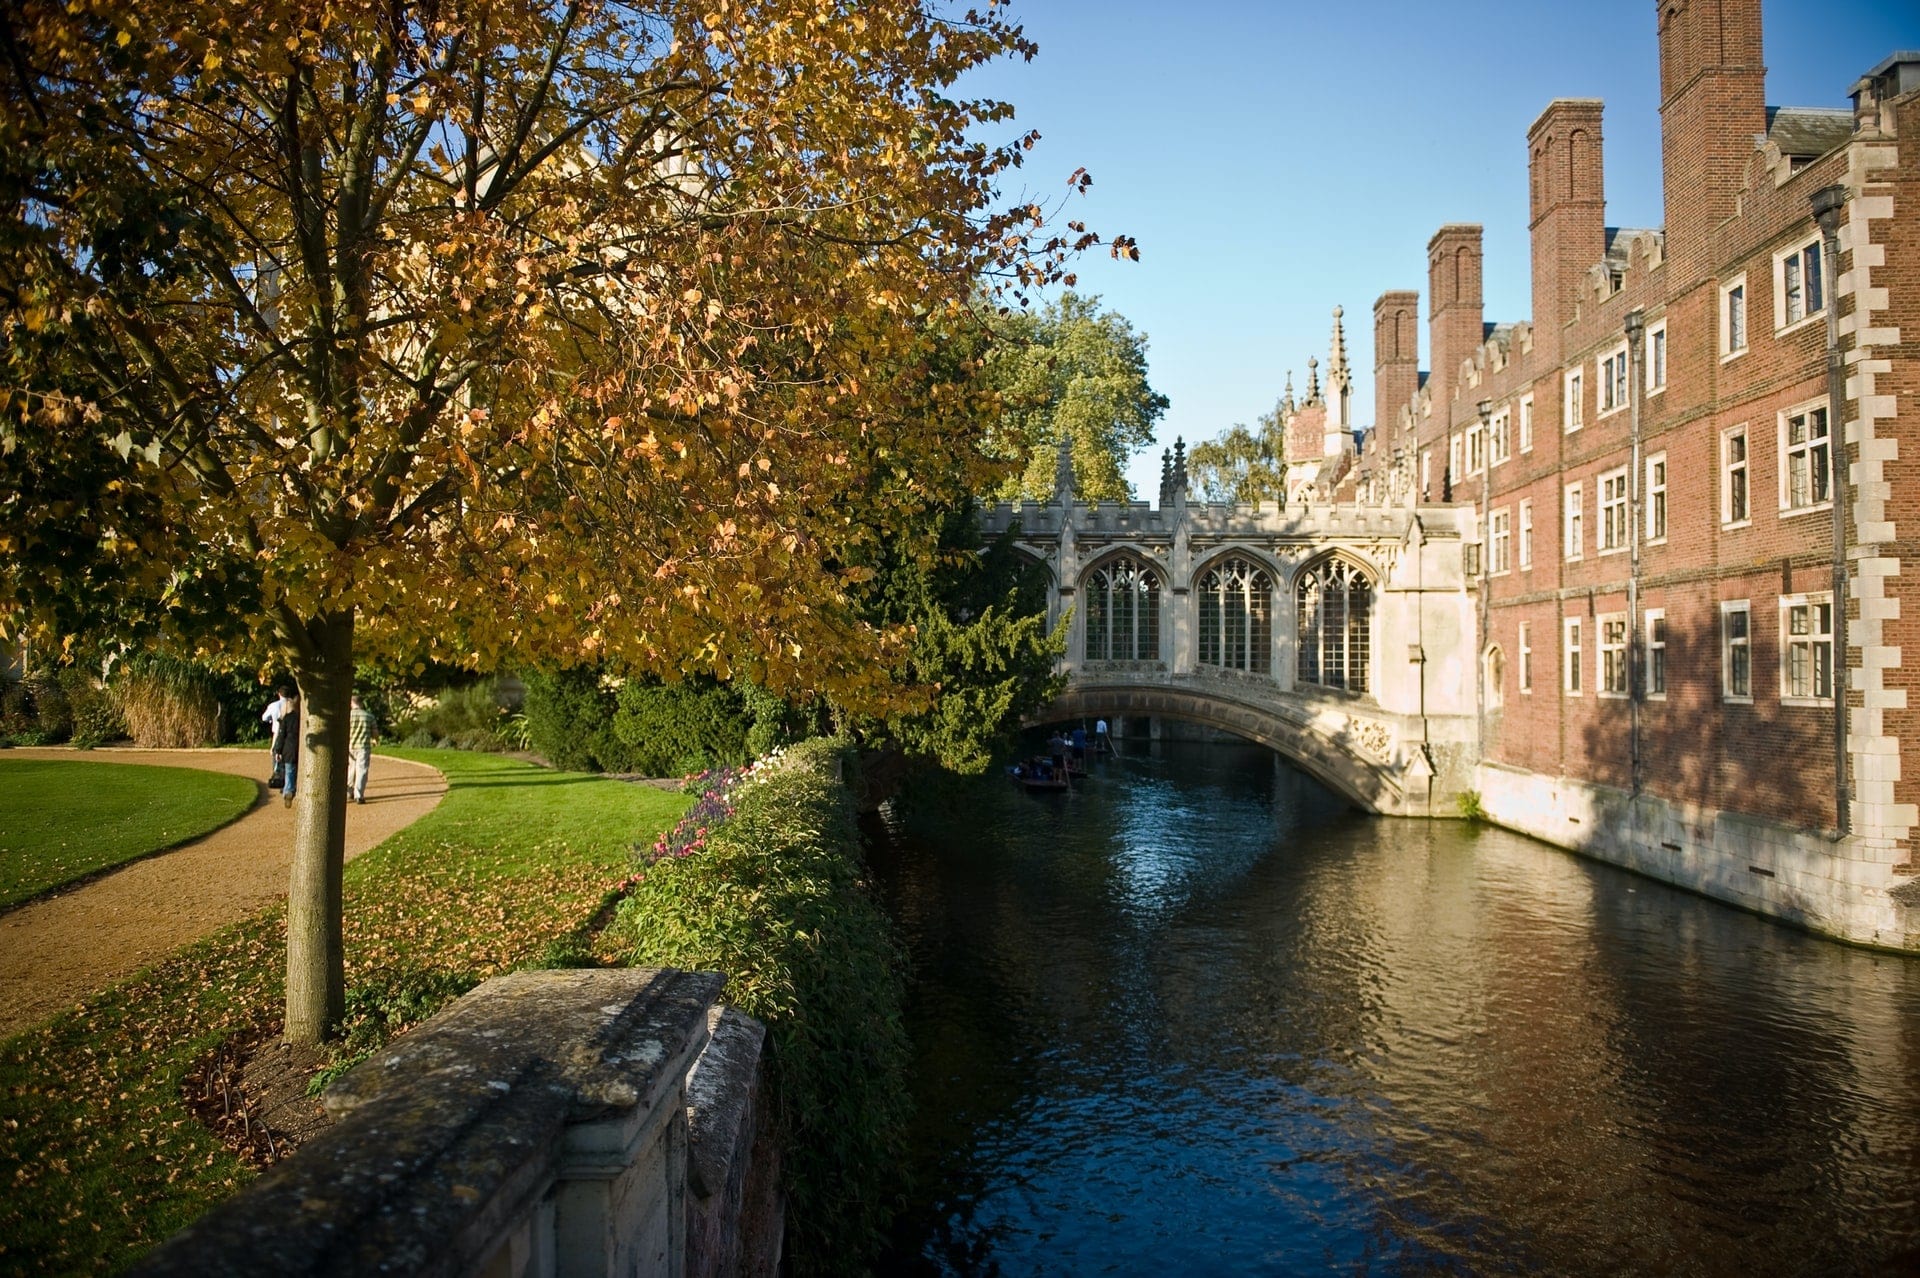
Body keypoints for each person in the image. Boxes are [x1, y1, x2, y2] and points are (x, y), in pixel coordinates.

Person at [347, 693, 381, 805]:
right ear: (361, 703)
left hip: (350, 746)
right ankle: (359, 795)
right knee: (362, 769)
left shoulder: (347, 716)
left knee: (351, 768)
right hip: (363, 746)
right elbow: (375, 732)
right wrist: (376, 739)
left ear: (352, 703)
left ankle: (349, 791)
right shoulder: (369, 716)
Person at [262, 686, 292, 787]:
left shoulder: (273, 705)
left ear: (279, 694)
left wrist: (272, 720)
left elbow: (264, 717)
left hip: (277, 733)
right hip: (291, 735)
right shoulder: (293, 705)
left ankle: (278, 778)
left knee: (276, 757)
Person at [274, 691, 300, 808]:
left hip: (288, 747)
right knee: (295, 770)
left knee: (289, 770)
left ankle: (288, 790)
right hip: (299, 747)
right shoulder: (301, 719)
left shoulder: (286, 719)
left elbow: (281, 735)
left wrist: (277, 750)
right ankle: (292, 789)